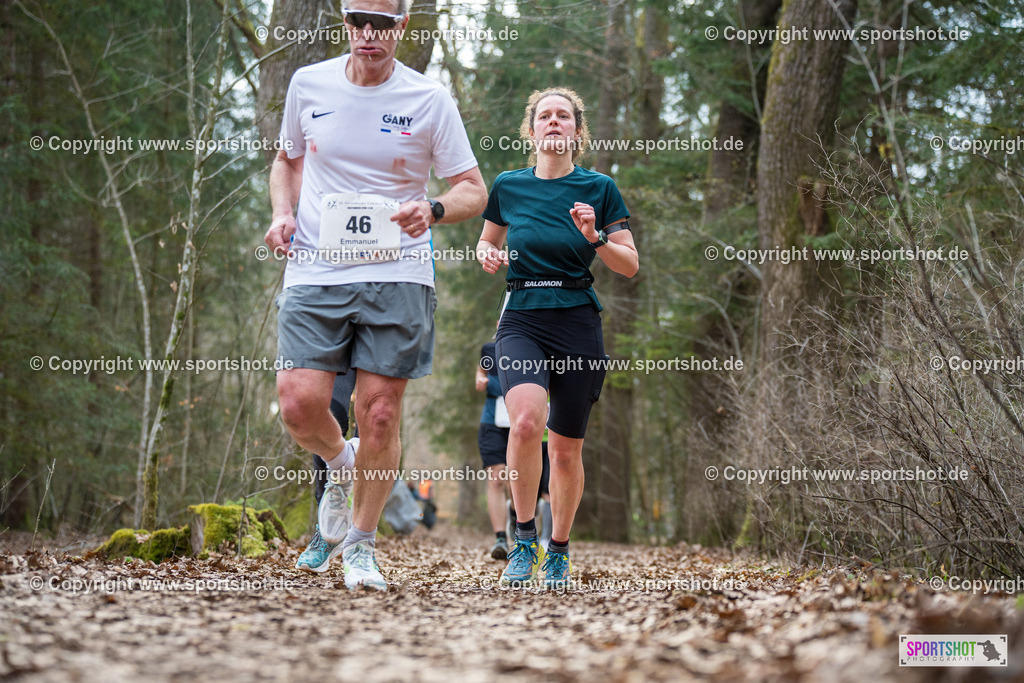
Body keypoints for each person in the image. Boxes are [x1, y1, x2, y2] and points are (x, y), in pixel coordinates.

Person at [265, 0, 486, 591]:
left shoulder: (428, 99)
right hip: (316, 267)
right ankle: (342, 464)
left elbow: (473, 190)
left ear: (402, 27)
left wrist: (433, 209)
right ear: (344, 22)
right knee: (298, 405)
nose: (370, 33)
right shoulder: (308, 84)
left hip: (399, 272)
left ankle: (361, 544)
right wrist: (282, 212)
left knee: (381, 412)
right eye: (359, 20)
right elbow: (285, 161)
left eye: (383, 23)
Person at [476, 88, 639, 588]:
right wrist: (487, 253)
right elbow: (488, 238)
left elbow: (629, 265)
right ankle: (524, 538)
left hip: (576, 320)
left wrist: (596, 237)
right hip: (522, 315)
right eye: (544, 116)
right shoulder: (508, 186)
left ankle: (560, 550)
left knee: (566, 449)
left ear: (576, 131)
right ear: (530, 131)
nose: (553, 123)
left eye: (562, 116)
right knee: (525, 422)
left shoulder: (600, 187)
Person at [476, 341, 552, 560]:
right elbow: (480, 376)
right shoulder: (489, 350)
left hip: (521, 424)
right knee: (497, 478)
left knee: (515, 478)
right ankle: (500, 537)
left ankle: (516, 515)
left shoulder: (534, 348)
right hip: (493, 421)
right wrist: (482, 380)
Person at [295, 370, 356, 572]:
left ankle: (361, 539)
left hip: (383, 343)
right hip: (341, 343)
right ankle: (326, 526)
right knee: (328, 412)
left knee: (377, 418)